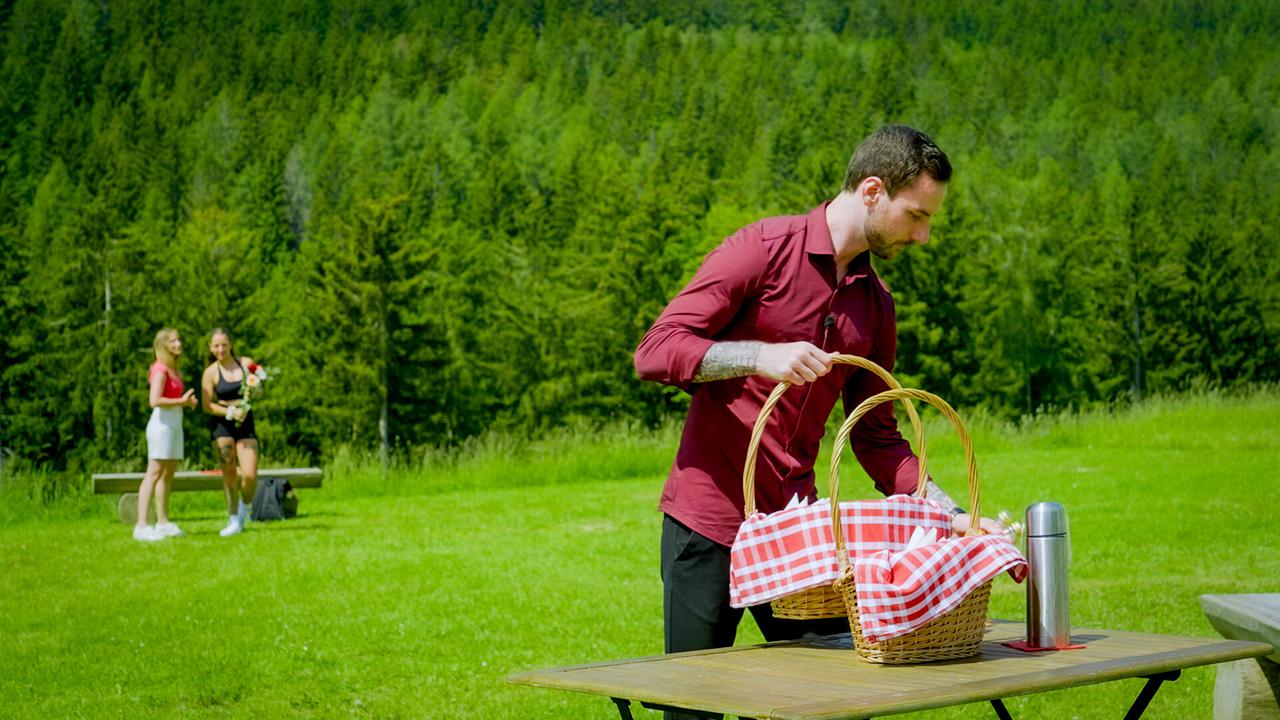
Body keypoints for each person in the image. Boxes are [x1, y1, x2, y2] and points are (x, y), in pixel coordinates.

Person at [634, 126, 1002, 706]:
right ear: (874, 190)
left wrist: (953, 514)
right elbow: (655, 350)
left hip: (798, 539)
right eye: (916, 215)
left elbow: (878, 436)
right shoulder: (760, 249)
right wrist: (759, 354)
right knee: (693, 710)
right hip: (705, 527)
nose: (925, 235)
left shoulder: (876, 306)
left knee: (836, 703)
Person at [136, 328, 197, 542]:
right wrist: (181, 401)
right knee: (153, 472)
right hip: (162, 424)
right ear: (163, 345)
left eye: (179, 340)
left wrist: (186, 403)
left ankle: (162, 522)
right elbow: (154, 400)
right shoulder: (160, 369)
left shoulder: (173, 368)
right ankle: (142, 525)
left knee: (167, 474)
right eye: (173, 341)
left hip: (174, 423)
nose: (178, 344)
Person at [201, 328, 260, 538]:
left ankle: (245, 507)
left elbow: (257, 385)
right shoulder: (210, 373)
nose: (220, 349)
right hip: (223, 425)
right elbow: (207, 405)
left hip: (246, 424)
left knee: (250, 474)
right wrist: (229, 412)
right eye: (216, 345)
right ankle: (233, 518)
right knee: (230, 474)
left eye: (224, 345)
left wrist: (256, 390)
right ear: (210, 347)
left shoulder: (245, 364)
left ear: (231, 344)